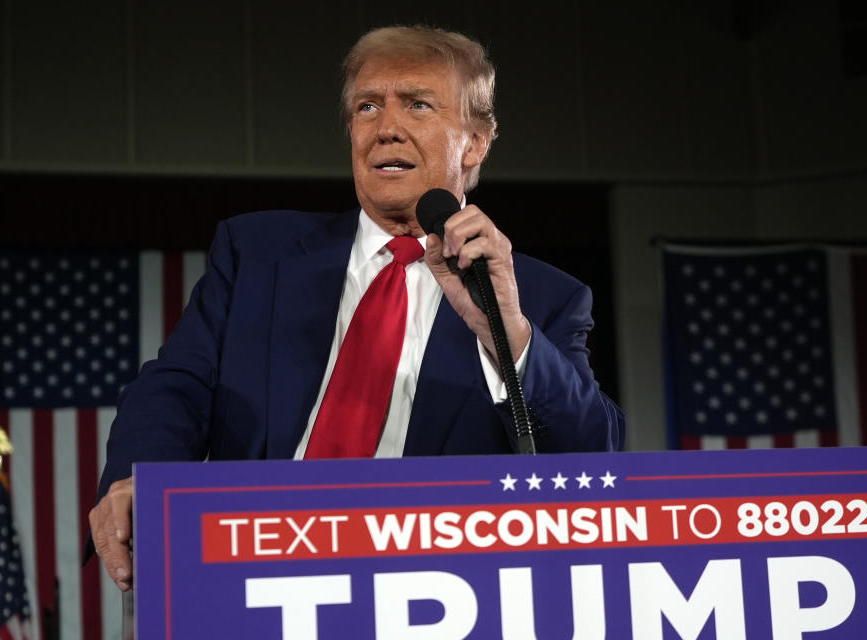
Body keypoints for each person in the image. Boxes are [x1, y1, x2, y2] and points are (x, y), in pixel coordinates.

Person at [89, 25, 624, 591]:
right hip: (254, 571)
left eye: (417, 105)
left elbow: (594, 452)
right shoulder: (259, 254)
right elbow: (177, 384)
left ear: (474, 142)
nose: (386, 128)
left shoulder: (539, 296)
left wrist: (505, 329)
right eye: (368, 106)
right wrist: (134, 478)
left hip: (425, 588)